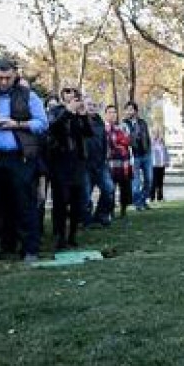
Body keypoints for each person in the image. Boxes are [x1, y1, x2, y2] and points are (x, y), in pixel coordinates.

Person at [0, 58, 49, 262]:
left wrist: (16, 124)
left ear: (15, 75)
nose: (3, 82)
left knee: (24, 204)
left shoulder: (29, 95)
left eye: (8, 78)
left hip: (19, 159)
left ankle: (30, 249)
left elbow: (42, 123)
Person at [47, 87, 92, 250]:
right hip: (60, 161)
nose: (70, 95)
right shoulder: (56, 111)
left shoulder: (79, 113)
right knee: (60, 201)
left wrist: (84, 115)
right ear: (62, 95)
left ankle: (72, 235)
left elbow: (89, 132)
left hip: (78, 163)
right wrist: (68, 111)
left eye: (73, 92)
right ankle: (59, 236)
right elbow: (53, 128)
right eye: (67, 92)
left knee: (77, 201)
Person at [82, 97, 115, 227]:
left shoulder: (100, 122)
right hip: (85, 165)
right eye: (89, 104)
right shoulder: (79, 121)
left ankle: (101, 215)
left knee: (109, 189)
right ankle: (86, 219)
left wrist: (106, 153)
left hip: (101, 164)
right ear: (83, 106)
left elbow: (103, 141)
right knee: (86, 194)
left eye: (94, 105)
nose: (92, 107)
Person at [103, 104, 133, 221]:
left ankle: (123, 211)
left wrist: (117, 144)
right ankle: (110, 211)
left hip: (124, 162)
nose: (112, 114)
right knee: (110, 188)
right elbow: (108, 144)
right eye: (110, 112)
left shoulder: (122, 127)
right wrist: (118, 144)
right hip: (110, 163)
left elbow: (127, 140)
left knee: (125, 188)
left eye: (114, 112)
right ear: (105, 114)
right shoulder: (103, 128)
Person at [122, 101, 153, 211]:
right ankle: (138, 203)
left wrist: (149, 149)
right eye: (128, 109)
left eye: (132, 109)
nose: (129, 111)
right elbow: (126, 139)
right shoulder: (124, 124)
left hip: (146, 154)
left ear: (135, 111)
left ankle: (143, 200)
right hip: (134, 156)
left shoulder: (142, 122)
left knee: (149, 179)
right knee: (136, 182)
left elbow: (147, 137)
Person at [150, 128, 168, 202]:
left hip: (161, 164)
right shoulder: (151, 142)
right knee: (154, 182)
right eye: (155, 133)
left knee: (160, 181)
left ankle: (160, 197)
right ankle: (152, 197)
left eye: (158, 133)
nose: (157, 134)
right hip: (154, 165)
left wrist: (166, 161)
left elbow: (165, 152)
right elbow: (151, 152)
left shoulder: (162, 142)